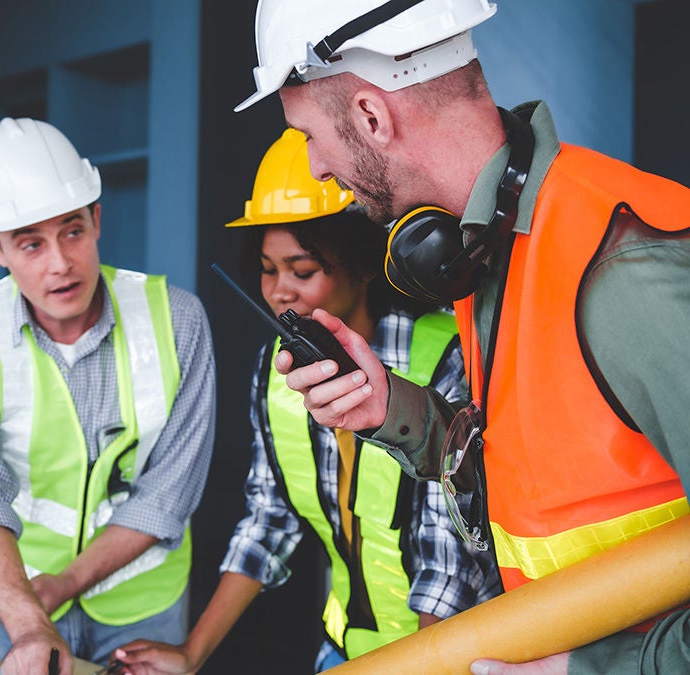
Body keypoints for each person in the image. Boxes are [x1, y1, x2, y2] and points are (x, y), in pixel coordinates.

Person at [232, 1, 690, 673]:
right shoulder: (483, 253)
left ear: (370, 116)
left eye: (308, 136)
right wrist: (392, 408)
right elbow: (539, 471)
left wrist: (594, 667)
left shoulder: (623, 269)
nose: (317, 168)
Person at [111, 129, 500, 674]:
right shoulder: (278, 372)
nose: (278, 293)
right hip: (343, 654)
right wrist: (191, 654)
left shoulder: (444, 356)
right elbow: (268, 522)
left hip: (455, 659)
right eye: (269, 271)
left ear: (362, 264)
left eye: (302, 271)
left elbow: (450, 559)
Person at [0, 117, 216, 675]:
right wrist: (30, 620)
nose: (60, 262)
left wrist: (68, 582)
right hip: (11, 602)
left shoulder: (177, 320)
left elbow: (168, 495)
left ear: (97, 219)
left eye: (72, 230)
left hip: (142, 609)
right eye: (30, 243)